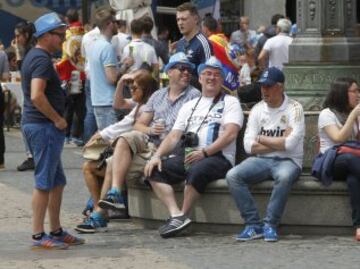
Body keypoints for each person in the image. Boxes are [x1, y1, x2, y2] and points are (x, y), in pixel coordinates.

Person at [94, 52, 201, 222]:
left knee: (113, 163)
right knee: (122, 145)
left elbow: (182, 131)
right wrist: (151, 130)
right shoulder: (157, 95)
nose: (187, 72)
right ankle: (113, 194)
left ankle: (99, 214)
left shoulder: (193, 95)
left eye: (189, 69)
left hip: (173, 148)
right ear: (169, 72)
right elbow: (138, 125)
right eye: (182, 68)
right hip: (151, 145)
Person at [145, 57, 243, 238]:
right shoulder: (190, 105)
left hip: (217, 157)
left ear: (222, 80)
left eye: (216, 75)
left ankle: (184, 214)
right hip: (190, 154)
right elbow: (174, 135)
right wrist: (157, 155)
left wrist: (204, 152)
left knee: (197, 169)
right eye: (207, 74)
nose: (211, 78)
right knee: (154, 170)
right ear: (199, 78)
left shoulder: (230, 102)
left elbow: (230, 134)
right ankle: (176, 215)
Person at [21, 12, 84, 249]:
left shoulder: (38, 56)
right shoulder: (40, 59)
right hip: (44, 127)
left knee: (57, 181)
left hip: (41, 126)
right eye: (59, 35)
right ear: (45, 36)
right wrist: (57, 119)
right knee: (45, 182)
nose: (62, 39)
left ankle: (55, 230)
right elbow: (37, 95)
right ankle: (39, 234)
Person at [226, 67, 305, 242]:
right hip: (261, 160)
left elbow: (291, 144)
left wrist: (261, 140)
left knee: (284, 177)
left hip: (289, 161)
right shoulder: (257, 109)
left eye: (268, 86)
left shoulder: (295, 108)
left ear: (280, 87)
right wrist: (279, 143)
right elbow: (248, 146)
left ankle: (270, 224)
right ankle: (253, 224)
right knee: (233, 175)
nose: (264, 90)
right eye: (262, 86)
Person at [75, 70, 158, 233]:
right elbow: (118, 105)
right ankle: (99, 208)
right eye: (131, 88)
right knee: (95, 165)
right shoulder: (139, 105)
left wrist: (99, 136)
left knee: (93, 167)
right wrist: (120, 83)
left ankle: (99, 210)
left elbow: (118, 127)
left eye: (135, 88)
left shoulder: (145, 109)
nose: (132, 90)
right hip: (130, 152)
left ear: (146, 90)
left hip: (139, 155)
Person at [316, 77, 360, 241]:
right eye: (354, 91)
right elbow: (339, 137)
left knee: (354, 179)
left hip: (354, 162)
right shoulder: (326, 114)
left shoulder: (355, 113)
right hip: (331, 161)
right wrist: (354, 115)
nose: (358, 94)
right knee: (349, 159)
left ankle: (358, 226)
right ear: (342, 93)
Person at [88, 8, 119, 130]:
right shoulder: (107, 47)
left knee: (106, 141)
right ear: (109, 24)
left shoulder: (93, 44)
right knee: (112, 143)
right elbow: (112, 78)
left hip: (98, 100)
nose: (118, 25)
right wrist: (125, 68)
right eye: (116, 22)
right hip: (108, 101)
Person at [13, 21, 36, 171]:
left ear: (26, 35)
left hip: (32, 95)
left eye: (18, 36)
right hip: (30, 94)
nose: (16, 39)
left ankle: (32, 157)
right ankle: (33, 156)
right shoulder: (29, 49)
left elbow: (23, 69)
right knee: (26, 125)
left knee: (26, 125)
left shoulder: (31, 50)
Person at [175, 2, 213, 86]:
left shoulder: (203, 43)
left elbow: (209, 76)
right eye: (178, 19)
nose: (180, 23)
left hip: (197, 95)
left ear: (195, 19)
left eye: (184, 19)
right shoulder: (180, 43)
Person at [201, 15, 239, 94]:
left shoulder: (210, 41)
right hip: (231, 77)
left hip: (222, 79)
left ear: (205, 28)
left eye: (202, 27)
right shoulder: (222, 38)